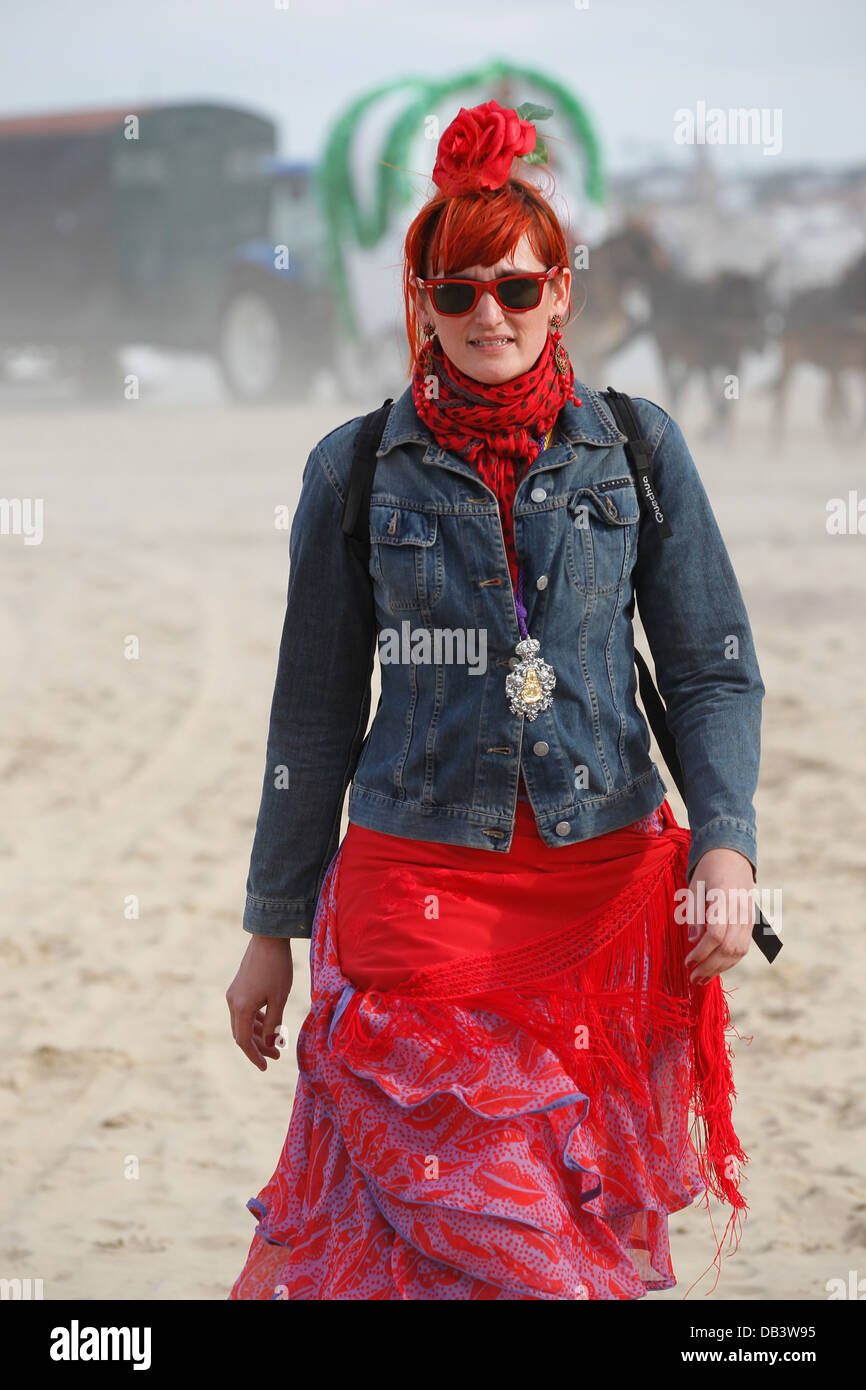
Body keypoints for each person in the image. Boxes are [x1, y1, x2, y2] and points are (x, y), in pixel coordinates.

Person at [225, 99, 764, 1301]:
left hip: (601, 903)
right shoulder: (353, 466)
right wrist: (270, 927)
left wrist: (724, 845)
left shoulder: (635, 447)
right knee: (487, 1231)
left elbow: (711, 665)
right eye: (457, 291)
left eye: (515, 291)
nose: (487, 317)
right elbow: (310, 714)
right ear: (418, 303)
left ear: (559, 296)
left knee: (559, 1230)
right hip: (412, 895)